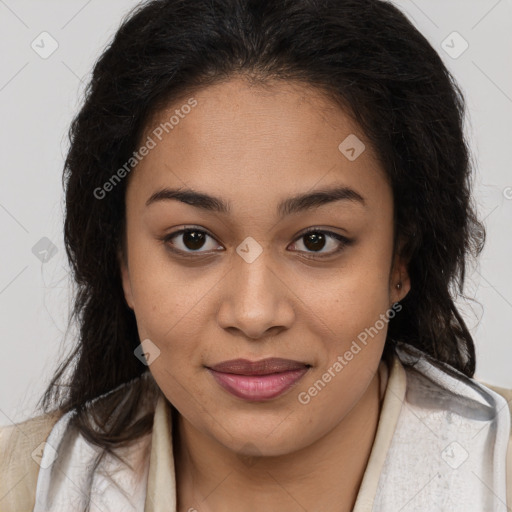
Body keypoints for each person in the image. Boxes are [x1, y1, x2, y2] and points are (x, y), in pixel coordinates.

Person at [1, 0, 510, 510]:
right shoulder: (21, 485)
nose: (253, 314)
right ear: (124, 264)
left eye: (317, 240)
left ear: (401, 260)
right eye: (193, 240)